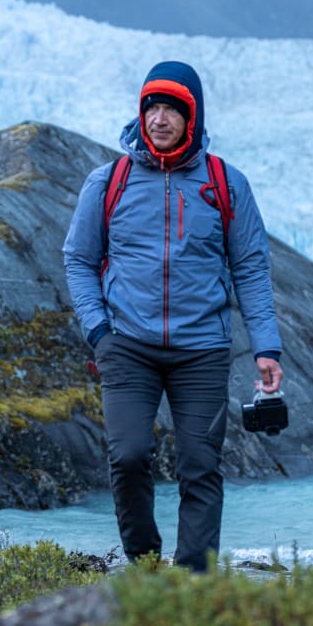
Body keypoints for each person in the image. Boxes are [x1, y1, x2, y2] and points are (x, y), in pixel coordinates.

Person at [63, 60, 283, 571]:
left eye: (171, 109)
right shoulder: (108, 181)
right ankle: (144, 565)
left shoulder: (225, 184)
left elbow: (250, 267)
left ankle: (193, 579)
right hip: (127, 345)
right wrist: (99, 331)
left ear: (193, 116)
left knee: (200, 466)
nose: (159, 119)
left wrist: (266, 347)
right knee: (130, 455)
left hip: (202, 350)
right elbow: (78, 258)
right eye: (151, 108)